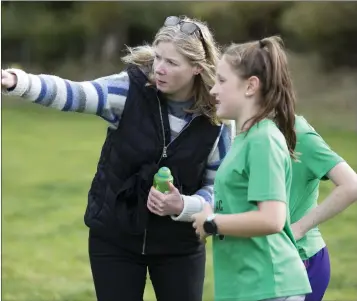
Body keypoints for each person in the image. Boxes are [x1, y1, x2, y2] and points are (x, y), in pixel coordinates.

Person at [1, 16, 234, 301]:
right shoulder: (129, 89)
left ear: (197, 67)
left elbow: (219, 188)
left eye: (171, 63)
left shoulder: (217, 119)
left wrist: (183, 205)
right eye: (158, 57)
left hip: (180, 246)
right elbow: (75, 94)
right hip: (115, 238)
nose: (159, 69)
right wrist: (18, 81)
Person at [192, 36, 312, 301]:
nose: (213, 90)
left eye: (222, 81)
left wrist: (213, 223)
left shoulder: (262, 140)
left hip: (269, 285)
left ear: (250, 86)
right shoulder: (245, 139)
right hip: (248, 286)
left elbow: (271, 219)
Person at [288, 115, 357, 301]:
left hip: (301, 260)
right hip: (262, 261)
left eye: (222, 83)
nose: (214, 90)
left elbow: (351, 185)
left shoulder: (299, 135)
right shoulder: (245, 132)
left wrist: (299, 228)